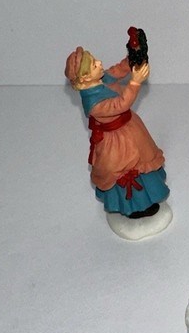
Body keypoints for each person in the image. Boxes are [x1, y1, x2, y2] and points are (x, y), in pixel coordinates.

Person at [65, 47, 169, 218]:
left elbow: (118, 70)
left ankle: (150, 191)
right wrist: (135, 83)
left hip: (130, 128)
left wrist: (133, 57)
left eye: (95, 60)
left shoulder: (101, 78)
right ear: (85, 78)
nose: (99, 63)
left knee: (144, 158)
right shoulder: (94, 103)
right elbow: (120, 104)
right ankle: (134, 206)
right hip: (117, 142)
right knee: (124, 169)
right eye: (94, 65)